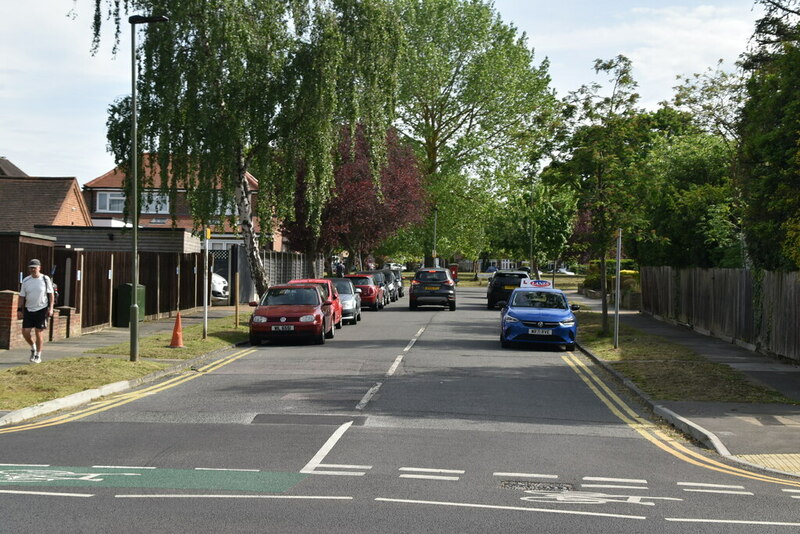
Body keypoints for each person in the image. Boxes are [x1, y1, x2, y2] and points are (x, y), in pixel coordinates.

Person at [18, 259, 54, 363]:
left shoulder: (45, 279)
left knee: (39, 333)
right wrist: (19, 309)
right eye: (31, 267)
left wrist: (51, 308)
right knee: (25, 332)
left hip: (42, 309)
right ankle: (33, 347)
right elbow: (21, 296)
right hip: (29, 309)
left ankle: (38, 355)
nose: (33, 269)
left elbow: (51, 295)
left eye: (34, 267)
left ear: (39, 268)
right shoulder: (26, 280)